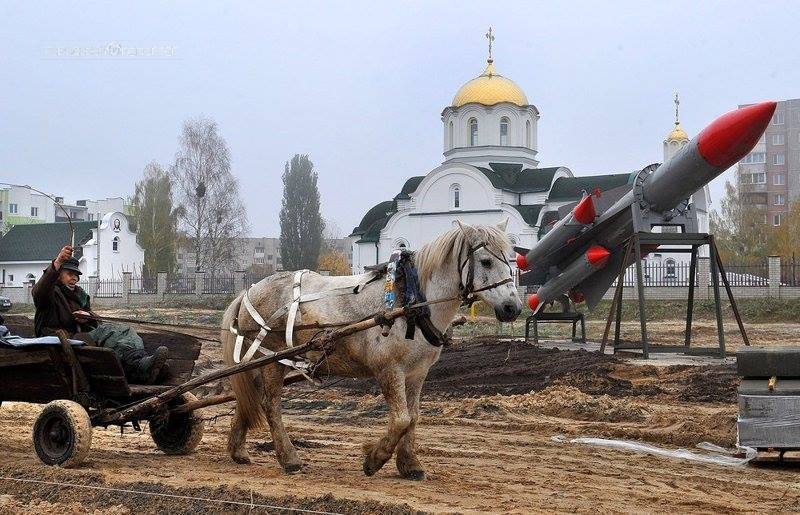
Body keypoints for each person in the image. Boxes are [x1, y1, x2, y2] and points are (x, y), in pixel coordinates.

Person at [32, 245, 169, 384]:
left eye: (76, 275)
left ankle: (141, 364)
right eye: (69, 274)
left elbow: (96, 321)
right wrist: (57, 262)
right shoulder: (50, 294)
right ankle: (139, 369)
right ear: (58, 274)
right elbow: (39, 292)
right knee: (109, 332)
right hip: (57, 341)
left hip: (80, 339)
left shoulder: (80, 295)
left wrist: (87, 316)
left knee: (126, 331)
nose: (74, 278)